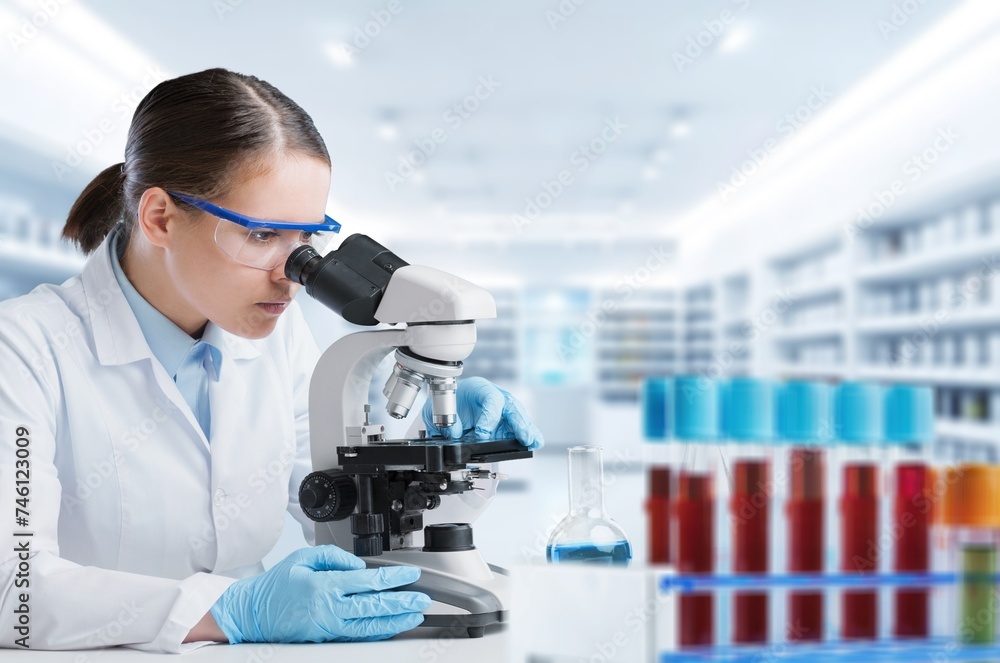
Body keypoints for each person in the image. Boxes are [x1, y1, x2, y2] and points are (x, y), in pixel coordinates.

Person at [0, 68, 543, 653]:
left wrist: (439, 455)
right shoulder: (24, 350)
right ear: (159, 217)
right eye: (262, 235)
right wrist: (234, 609)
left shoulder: (271, 339)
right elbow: (15, 591)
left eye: (306, 237)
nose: (293, 272)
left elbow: (346, 519)